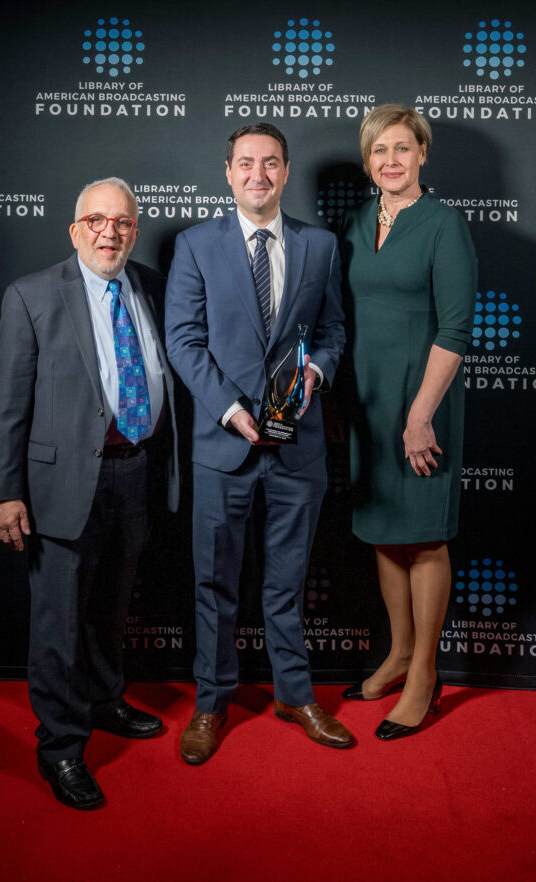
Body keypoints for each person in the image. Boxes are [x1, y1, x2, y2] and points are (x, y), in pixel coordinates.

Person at [0, 177, 179, 808]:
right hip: (60, 483)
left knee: (111, 608)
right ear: (75, 230)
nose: (109, 232)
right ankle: (62, 748)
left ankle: (103, 701)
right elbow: (9, 404)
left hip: (135, 470)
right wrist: (4, 491)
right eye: (97, 220)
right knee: (58, 621)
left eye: (122, 222)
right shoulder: (33, 295)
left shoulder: (152, 285)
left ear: (135, 231)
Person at [165, 123, 352, 764]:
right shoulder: (195, 244)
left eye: (270, 163)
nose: (258, 175)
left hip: (298, 446)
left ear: (286, 171)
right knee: (214, 585)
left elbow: (332, 329)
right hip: (224, 448)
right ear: (228, 172)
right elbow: (183, 340)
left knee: (287, 582)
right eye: (246, 163)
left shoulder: (320, 245)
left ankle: (294, 695)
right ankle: (212, 702)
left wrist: (318, 369)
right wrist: (229, 410)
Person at [339, 104, 476, 740]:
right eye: (379, 150)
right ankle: (397, 654)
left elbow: (456, 328)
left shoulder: (445, 224)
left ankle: (424, 673)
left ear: (423, 153)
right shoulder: (356, 221)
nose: (390, 160)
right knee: (384, 534)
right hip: (367, 401)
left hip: (422, 399)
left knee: (423, 537)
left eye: (402, 148)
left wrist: (421, 415)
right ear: (367, 161)